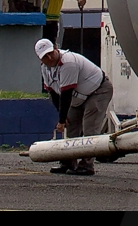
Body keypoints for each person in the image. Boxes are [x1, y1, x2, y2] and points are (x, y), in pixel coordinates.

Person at [35, 38, 112, 176]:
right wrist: (62, 117)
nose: (49, 57)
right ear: (40, 59)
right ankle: (68, 162)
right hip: (78, 96)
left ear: (56, 48)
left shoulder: (68, 62)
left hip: (98, 90)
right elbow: (53, 93)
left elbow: (66, 94)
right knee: (71, 127)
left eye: (50, 53)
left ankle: (87, 165)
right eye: (45, 56)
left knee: (90, 128)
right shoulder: (45, 68)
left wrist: (61, 120)